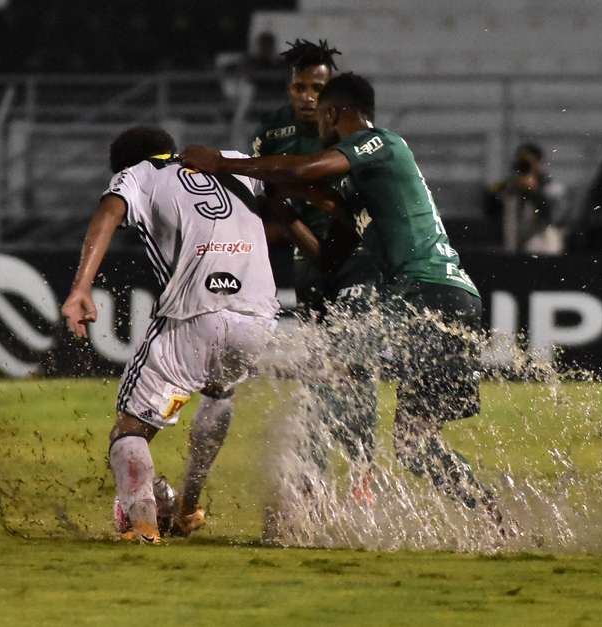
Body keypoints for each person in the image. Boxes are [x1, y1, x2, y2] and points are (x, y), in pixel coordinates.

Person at [184, 73, 505, 524]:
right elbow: (329, 258)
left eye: (321, 116)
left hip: (430, 297)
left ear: (335, 114)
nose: (317, 124)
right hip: (452, 305)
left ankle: (303, 503)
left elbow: (303, 169)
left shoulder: (384, 143)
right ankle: (493, 514)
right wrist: (283, 211)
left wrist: (221, 162)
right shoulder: (359, 194)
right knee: (414, 445)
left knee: (330, 365)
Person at [61, 127, 279, 543]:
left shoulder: (139, 174)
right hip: (259, 320)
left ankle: (144, 525)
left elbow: (109, 210)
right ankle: (188, 507)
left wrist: (81, 287)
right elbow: (281, 195)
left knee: (129, 430)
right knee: (219, 392)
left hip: (195, 315)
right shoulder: (228, 160)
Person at [252, 39, 381, 482]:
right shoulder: (272, 130)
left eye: (316, 87)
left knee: (356, 362)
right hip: (307, 260)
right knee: (322, 364)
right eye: (299, 87)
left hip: (356, 257)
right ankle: (317, 469)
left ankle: (363, 466)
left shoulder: (349, 129)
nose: (307, 96)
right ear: (289, 88)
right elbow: (261, 193)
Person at [489, 143, 565, 254]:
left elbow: (554, 219)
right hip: (513, 247)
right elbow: (490, 210)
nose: (525, 169)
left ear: (539, 164)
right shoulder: (511, 186)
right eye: (522, 165)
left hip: (542, 247)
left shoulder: (552, 188)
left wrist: (535, 192)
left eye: (528, 164)